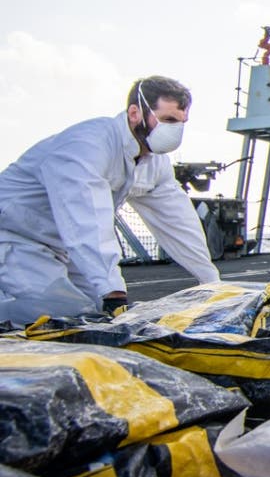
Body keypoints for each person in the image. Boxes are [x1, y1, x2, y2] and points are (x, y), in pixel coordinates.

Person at [0, 76, 220, 322]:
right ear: (135, 113)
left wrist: (212, 282)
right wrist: (113, 293)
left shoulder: (153, 162)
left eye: (181, 122)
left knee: (95, 313)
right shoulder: (88, 146)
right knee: (62, 314)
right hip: (15, 238)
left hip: (61, 245)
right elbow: (86, 220)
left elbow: (178, 221)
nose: (176, 130)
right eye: (168, 120)